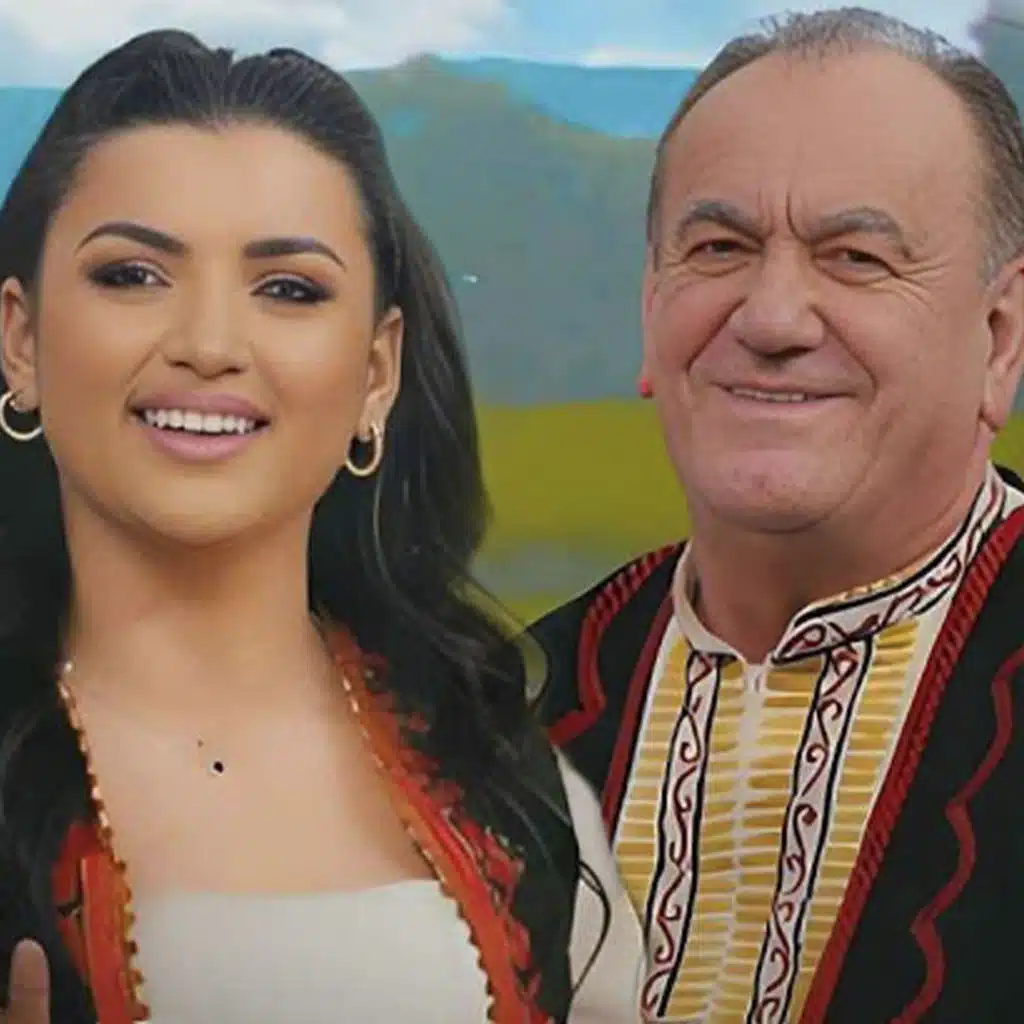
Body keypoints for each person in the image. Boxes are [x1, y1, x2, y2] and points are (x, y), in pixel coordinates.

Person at [0, 30, 645, 1024]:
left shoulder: (511, 777)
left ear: (376, 374)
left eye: (288, 289)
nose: (209, 344)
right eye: (132, 275)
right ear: (21, 340)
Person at [533, 7, 1024, 1023]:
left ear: (1000, 337)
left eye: (856, 258)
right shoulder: (500, 713)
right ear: (650, 310)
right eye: (719, 248)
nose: (770, 319)